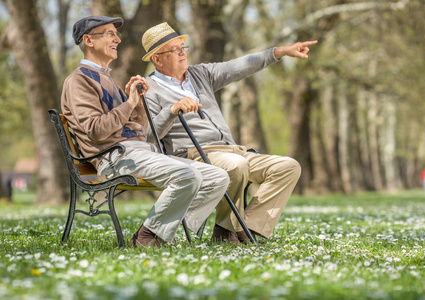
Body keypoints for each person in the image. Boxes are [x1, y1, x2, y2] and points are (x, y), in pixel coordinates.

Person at [61, 16, 230, 248]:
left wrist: (137, 102)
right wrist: (129, 103)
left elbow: (138, 130)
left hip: (139, 152)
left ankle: (170, 232)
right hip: (114, 158)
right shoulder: (78, 81)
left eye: (115, 34)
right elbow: (96, 131)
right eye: (110, 34)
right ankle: (146, 238)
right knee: (187, 175)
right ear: (88, 40)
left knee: (218, 177)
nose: (117, 39)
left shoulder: (107, 79)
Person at [141, 22, 316, 243]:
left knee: (288, 167)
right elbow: (148, 135)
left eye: (183, 48)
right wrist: (172, 110)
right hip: (194, 155)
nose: (183, 53)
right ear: (157, 59)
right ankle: (228, 231)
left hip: (233, 150)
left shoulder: (200, 74)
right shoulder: (148, 89)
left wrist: (279, 52)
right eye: (175, 50)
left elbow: (240, 65)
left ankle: (246, 228)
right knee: (236, 164)